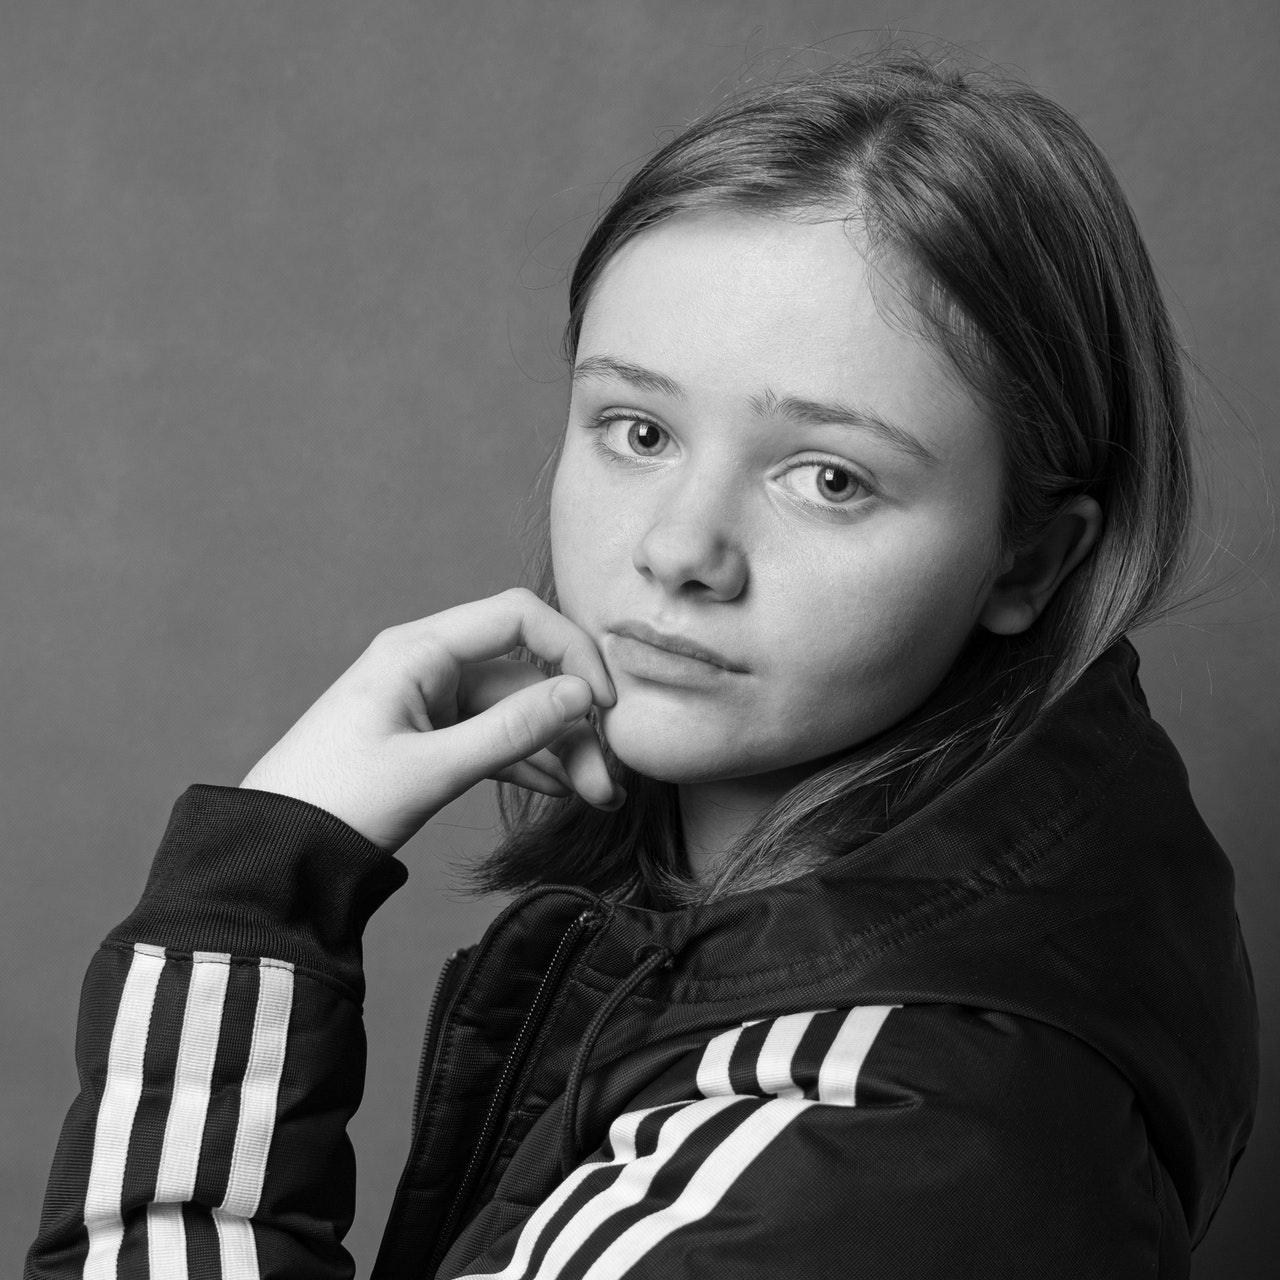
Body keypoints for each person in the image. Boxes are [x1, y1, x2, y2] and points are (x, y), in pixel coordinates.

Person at [27, 50, 1258, 1280]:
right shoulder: (942, 921)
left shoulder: (862, 1134)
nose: (678, 549)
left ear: (1028, 559)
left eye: (829, 477)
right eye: (639, 429)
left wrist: (256, 886)